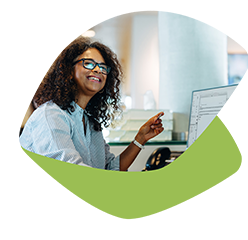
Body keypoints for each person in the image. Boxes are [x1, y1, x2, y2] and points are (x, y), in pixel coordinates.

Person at [19, 37, 164, 171]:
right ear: (69, 71)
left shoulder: (90, 122)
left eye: (103, 67)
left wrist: (140, 138)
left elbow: (109, 168)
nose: (97, 70)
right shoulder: (51, 115)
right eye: (88, 63)